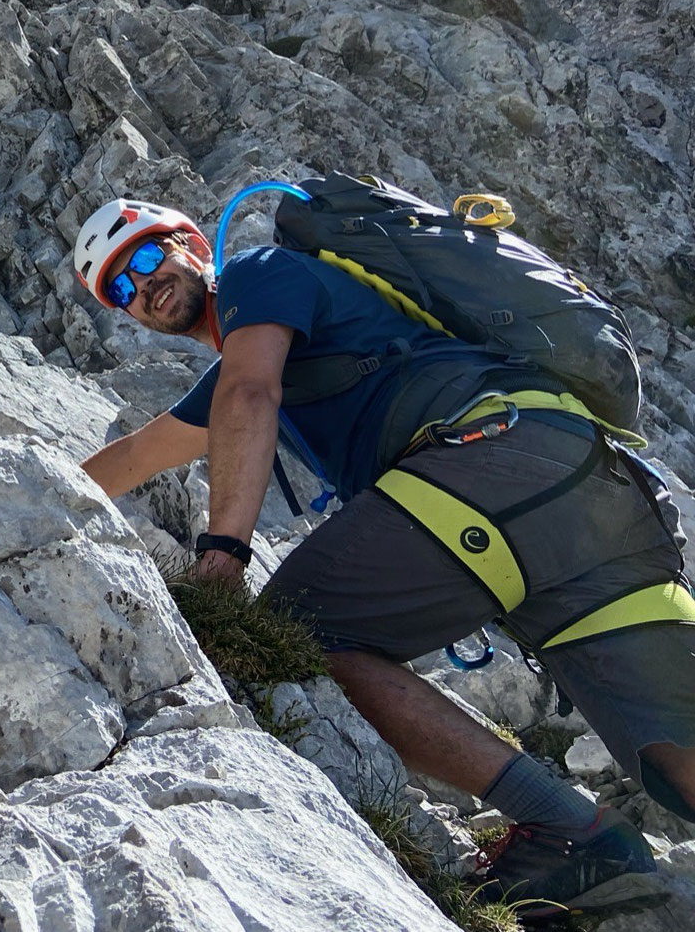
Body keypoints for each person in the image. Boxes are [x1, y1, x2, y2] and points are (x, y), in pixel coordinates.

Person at [73, 197, 695, 913]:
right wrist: (29, 480)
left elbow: (250, 393)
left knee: (300, 633)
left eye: (148, 257)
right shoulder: (256, 352)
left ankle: (570, 830)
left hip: (491, 460)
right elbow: (136, 455)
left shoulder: (259, 271)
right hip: (584, 482)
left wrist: (222, 558)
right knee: (680, 759)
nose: (141, 285)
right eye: (120, 288)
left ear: (190, 241)